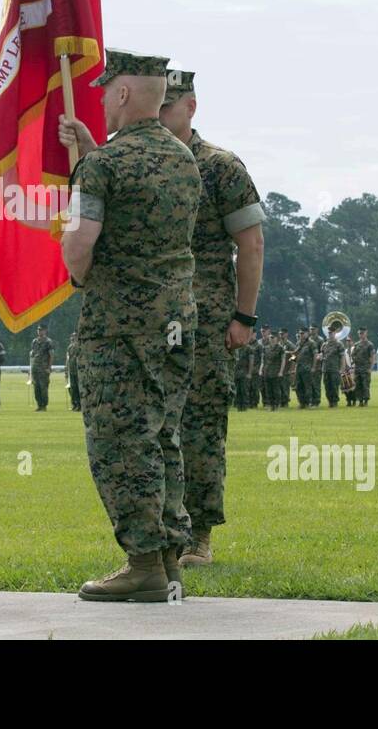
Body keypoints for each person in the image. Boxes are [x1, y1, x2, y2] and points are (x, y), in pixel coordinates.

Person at [58, 47, 202, 602]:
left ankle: (141, 563)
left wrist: (80, 276)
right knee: (163, 435)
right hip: (174, 321)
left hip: (116, 325)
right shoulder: (182, 158)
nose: (98, 98)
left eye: (104, 89)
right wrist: (92, 155)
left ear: (121, 93)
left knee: (120, 440)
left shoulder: (102, 167)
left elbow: (78, 246)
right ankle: (168, 558)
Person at [149, 69, 264, 566]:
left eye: (168, 108)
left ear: (191, 107)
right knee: (152, 427)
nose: (160, 117)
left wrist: (244, 316)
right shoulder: (144, 164)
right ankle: (155, 531)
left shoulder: (220, 167)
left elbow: (251, 243)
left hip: (207, 319)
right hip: (151, 320)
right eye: (155, 107)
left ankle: (199, 535)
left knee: (199, 427)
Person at [29, 325, 56, 412]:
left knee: (43, 387)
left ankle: (44, 405)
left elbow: (51, 355)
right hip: (35, 368)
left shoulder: (48, 342)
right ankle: (39, 405)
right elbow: (33, 355)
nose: (39, 331)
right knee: (36, 387)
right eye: (38, 330)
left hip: (43, 368)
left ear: (45, 331)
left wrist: (49, 367)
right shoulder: (34, 341)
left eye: (41, 330)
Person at [319, 329, 348, 408]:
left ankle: (334, 402)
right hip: (325, 369)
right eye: (329, 333)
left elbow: (342, 357)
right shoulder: (324, 344)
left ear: (335, 333)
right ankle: (330, 401)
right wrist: (320, 357)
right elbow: (321, 354)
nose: (330, 334)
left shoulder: (339, 344)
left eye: (331, 333)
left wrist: (342, 368)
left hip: (335, 369)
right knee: (327, 386)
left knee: (334, 386)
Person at [261, 326, 284, 411]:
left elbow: (283, 360)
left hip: (276, 372)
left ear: (277, 338)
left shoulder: (280, 348)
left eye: (273, 337)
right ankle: (270, 405)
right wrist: (261, 370)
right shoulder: (265, 348)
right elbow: (263, 360)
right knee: (268, 390)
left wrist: (281, 371)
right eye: (270, 337)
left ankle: (277, 405)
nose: (271, 339)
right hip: (267, 371)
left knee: (276, 390)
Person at [350, 327, 374, 407]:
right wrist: (354, 360)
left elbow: (372, 357)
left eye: (362, 333)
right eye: (359, 333)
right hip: (357, 368)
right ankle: (360, 401)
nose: (361, 335)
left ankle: (366, 401)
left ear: (366, 333)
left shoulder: (369, 344)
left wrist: (370, 368)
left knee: (365, 385)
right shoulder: (356, 344)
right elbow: (352, 355)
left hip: (365, 368)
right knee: (358, 385)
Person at [65, 332, 82, 411]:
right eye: (72, 337)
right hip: (71, 370)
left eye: (75, 337)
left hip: (78, 371)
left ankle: (79, 404)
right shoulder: (70, 347)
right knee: (72, 388)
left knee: (78, 388)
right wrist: (66, 371)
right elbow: (67, 360)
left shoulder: (80, 347)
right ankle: (74, 404)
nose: (73, 338)